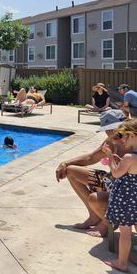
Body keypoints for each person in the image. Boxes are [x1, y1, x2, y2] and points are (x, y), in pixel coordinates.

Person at [55, 110, 129, 237]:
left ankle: (107, 223)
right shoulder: (110, 140)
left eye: (112, 129)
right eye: (107, 130)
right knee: (71, 170)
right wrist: (65, 163)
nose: (110, 133)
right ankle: (94, 216)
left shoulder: (133, 142)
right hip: (112, 183)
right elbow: (91, 157)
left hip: (127, 191)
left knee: (95, 198)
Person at [102, 118, 137, 272]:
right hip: (135, 197)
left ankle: (122, 262)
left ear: (134, 135)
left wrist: (110, 157)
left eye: (126, 136)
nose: (123, 140)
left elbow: (116, 174)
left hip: (126, 199)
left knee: (125, 232)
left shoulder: (130, 158)